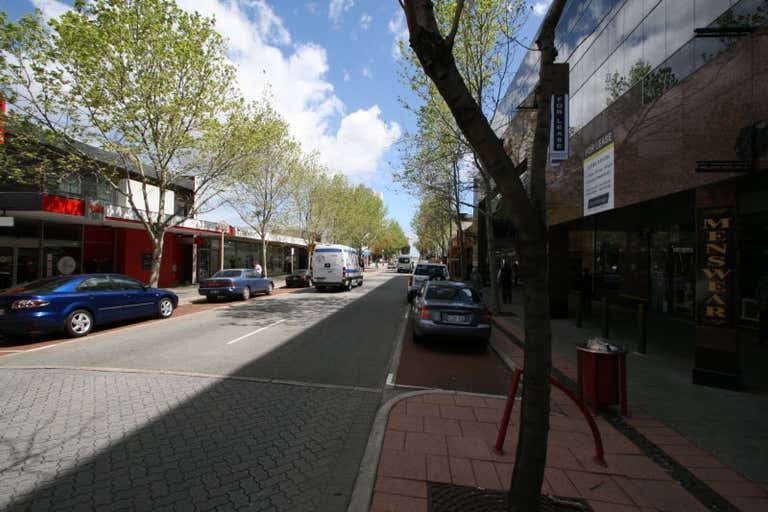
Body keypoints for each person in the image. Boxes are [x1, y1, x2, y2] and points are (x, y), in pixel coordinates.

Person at [756, 274, 768, 345]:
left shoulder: (762, 279)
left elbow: (758, 292)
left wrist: (758, 303)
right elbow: (758, 292)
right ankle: (762, 340)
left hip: (763, 305)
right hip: (763, 305)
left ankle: (761, 340)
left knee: (762, 323)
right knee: (763, 323)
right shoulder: (763, 280)